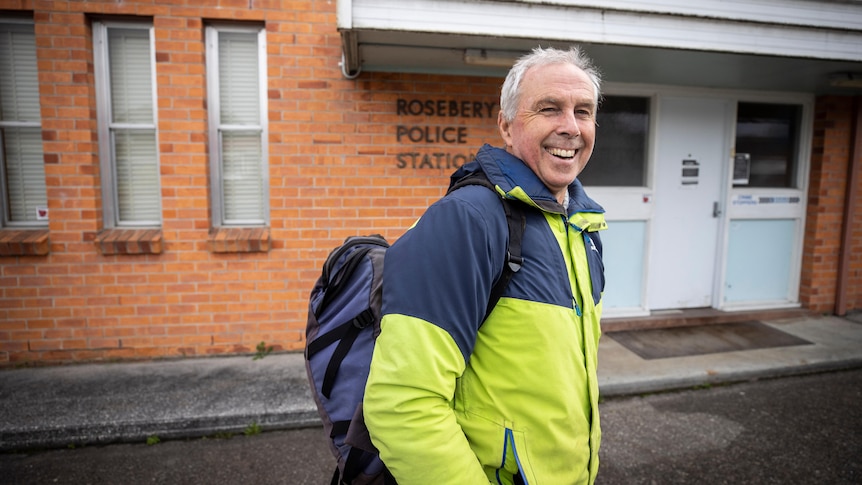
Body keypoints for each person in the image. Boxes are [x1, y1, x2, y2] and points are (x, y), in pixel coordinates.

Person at [363, 46, 607, 485]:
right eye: (549, 108)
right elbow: (402, 402)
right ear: (507, 126)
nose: (570, 127)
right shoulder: (468, 220)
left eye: (583, 111)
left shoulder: (583, 228)